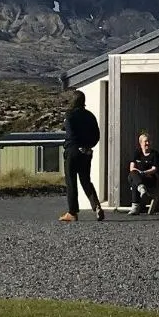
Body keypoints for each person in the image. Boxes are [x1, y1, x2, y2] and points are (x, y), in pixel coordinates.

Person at [58, 91, 104, 223]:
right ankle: (96, 206)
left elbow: (70, 133)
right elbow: (96, 136)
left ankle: (72, 212)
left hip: (72, 150)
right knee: (85, 180)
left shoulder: (70, 115)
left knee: (71, 182)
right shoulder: (90, 116)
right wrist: (87, 146)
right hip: (86, 152)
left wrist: (77, 145)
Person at [128, 131, 159, 215]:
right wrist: (139, 173)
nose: (147, 143)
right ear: (140, 143)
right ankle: (141, 187)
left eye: (149, 141)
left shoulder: (155, 154)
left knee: (134, 182)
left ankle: (135, 207)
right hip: (138, 176)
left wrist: (144, 172)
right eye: (145, 141)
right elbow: (132, 167)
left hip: (149, 178)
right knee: (132, 174)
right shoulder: (137, 153)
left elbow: (154, 168)